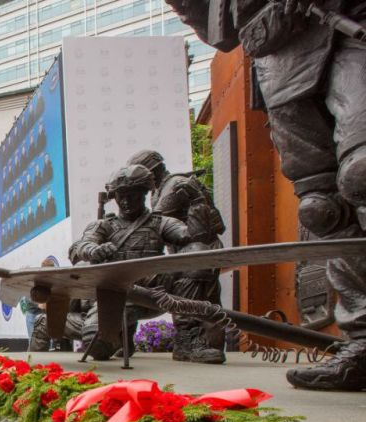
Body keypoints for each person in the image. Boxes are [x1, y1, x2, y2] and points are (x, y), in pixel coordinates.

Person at [164, 0, 366, 388]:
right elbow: (219, 31)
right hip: (279, 64)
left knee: (362, 174)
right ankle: (363, 340)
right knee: (320, 210)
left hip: (345, 28)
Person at [69, 165, 193, 361]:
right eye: (121, 196)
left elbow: (188, 235)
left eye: (132, 195)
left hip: (149, 295)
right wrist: (94, 250)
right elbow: (79, 246)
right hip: (112, 295)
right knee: (94, 341)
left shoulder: (160, 223)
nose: (126, 201)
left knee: (98, 339)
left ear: (144, 193)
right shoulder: (104, 226)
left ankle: (190, 340)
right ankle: (118, 337)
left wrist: (197, 204)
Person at [128, 149, 226, 363]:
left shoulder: (174, 185)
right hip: (187, 253)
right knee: (198, 300)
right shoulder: (160, 189)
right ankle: (197, 345)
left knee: (193, 300)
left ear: (152, 172)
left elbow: (154, 222)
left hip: (196, 252)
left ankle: (198, 345)